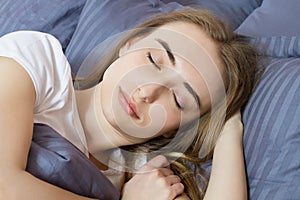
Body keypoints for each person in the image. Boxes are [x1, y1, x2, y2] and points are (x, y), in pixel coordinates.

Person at [0, 8, 258, 200]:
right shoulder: (37, 62)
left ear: (177, 128)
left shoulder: (146, 177)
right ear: (129, 43)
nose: (147, 91)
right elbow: (5, 186)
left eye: (179, 100)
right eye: (153, 60)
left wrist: (229, 130)